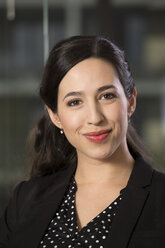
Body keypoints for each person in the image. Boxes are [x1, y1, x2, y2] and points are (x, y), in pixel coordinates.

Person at [0, 35, 165, 248]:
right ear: (55, 116)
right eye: (75, 102)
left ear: (130, 102)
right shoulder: (26, 199)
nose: (94, 117)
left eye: (107, 96)